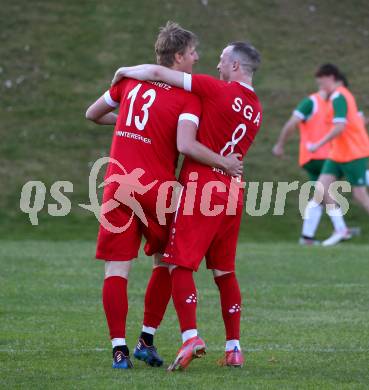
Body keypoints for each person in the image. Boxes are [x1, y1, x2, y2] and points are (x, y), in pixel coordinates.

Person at [85, 22, 242, 369]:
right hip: (156, 190)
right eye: (193, 53)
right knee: (168, 263)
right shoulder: (188, 96)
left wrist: (128, 121)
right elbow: (187, 144)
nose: (197, 58)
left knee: (116, 270)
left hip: (116, 185)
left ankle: (119, 350)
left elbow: (92, 114)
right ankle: (146, 338)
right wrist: (225, 163)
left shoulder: (130, 83)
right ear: (179, 56)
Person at [112, 40, 263, 369]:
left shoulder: (212, 90)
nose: (217, 65)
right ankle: (234, 347)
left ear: (236, 66)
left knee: (178, 263)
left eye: (223, 60)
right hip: (233, 192)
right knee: (224, 272)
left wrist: (122, 72)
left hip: (202, 186)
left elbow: (155, 74)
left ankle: (190, 336)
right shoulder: (256, 109)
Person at [272, 83, 358, 245]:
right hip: (321, 157)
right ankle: (341, 228)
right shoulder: (312, 102)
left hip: (321, 156)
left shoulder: (334, 102)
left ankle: (307, 237)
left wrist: (280, 145)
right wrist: (280, 144)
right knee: (325, 191)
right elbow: (292, 123)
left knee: (319, 195)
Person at [307, 64, 369, 246]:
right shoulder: (335, 97)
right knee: (321, 188)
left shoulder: (340, 96)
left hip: (353, 152)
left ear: (332, 78)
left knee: (360, 195)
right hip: (338, 153)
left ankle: (340, 229)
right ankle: (340, 229)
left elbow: (340, 127)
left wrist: (318, 144)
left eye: (322, 83)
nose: (320, 87)